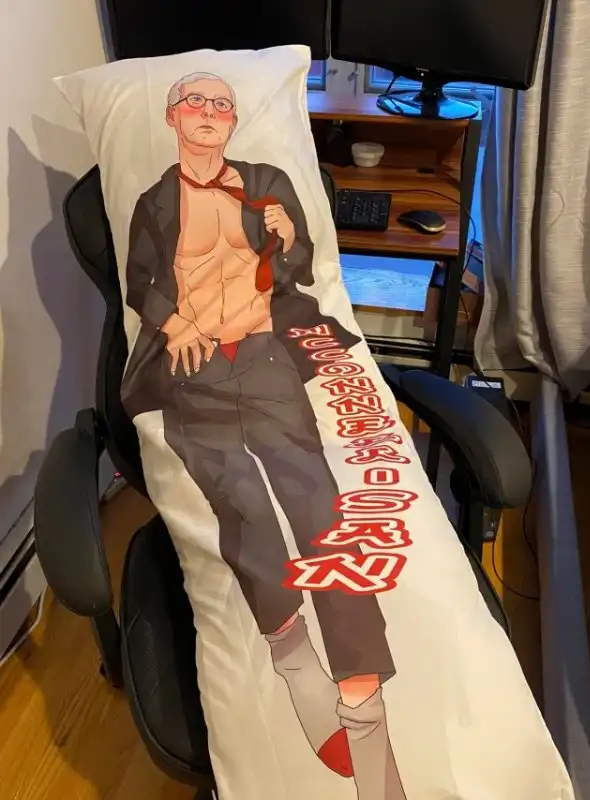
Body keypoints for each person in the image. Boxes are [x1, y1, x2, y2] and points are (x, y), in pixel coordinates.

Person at [121, 71, 405, 799]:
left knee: (322, 513)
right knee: (245, 515)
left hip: (267, 357)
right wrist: (175, 323)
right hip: (193, 374)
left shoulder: (267, 183)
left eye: (222, 104)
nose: (209, 113)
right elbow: (140, 284)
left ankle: (366, 718)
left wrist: (288, 239)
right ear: (173, 116)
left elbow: (300, 272)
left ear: (233, 120)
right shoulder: (153, 202)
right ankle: (294, 659)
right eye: (196, 101)